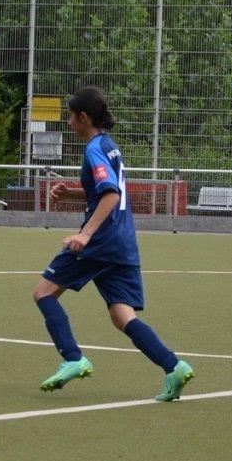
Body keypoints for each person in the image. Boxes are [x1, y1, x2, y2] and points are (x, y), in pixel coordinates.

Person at [32, 86, 194, 401]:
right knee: (122, 316)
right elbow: (108, 189)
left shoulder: (93, 148)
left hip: (101, 242)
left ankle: (72, 358)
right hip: (123, 242)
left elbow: (111, 195)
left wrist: (85, 235)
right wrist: (71, 193)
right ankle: (174, 366)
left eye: (70, 117)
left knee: (43, 292)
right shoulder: (109, 146)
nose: (69, 123)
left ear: (83, 117)